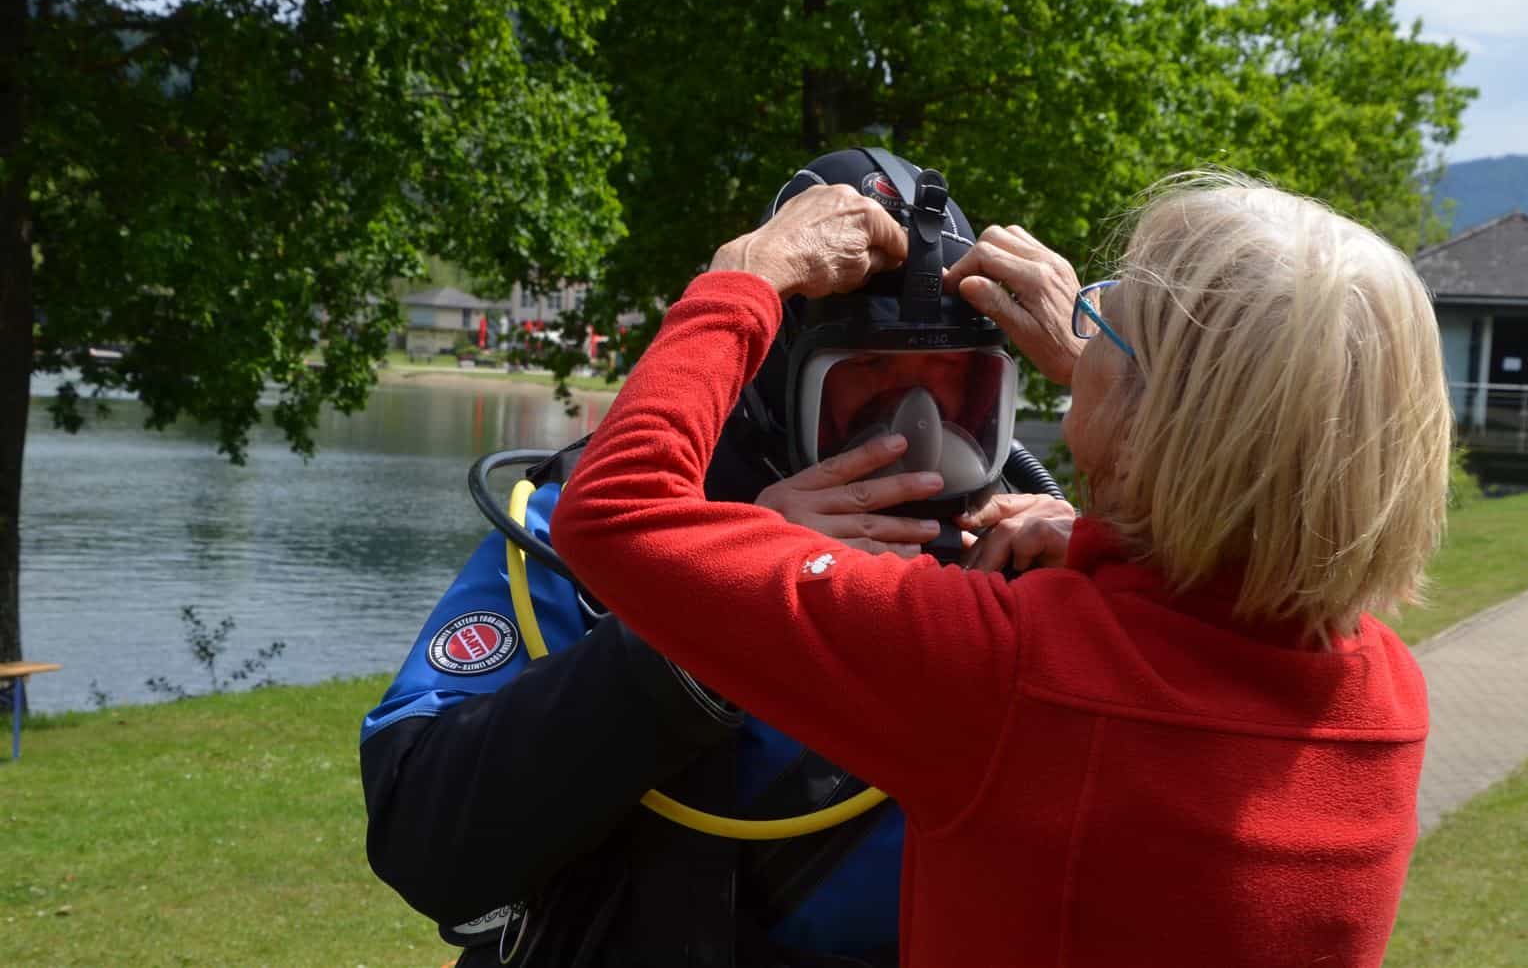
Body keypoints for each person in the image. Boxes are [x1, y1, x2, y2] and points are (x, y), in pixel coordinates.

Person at [551, 169, 1451, 967]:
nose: (1079, 328)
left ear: (1154, 424)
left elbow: (615, 512)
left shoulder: (1009, 676)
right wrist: (1113, 487)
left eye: (1107, 321)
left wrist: (747, 271)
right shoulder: (1388, 697)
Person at [360, 149, 1071, 966]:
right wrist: (719, 591)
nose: (918, 425)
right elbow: (423, 832)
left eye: (950, 380)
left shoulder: (1040, 560)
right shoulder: (596, 524)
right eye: (872, 372)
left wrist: (1122, 560)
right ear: (776, 378)